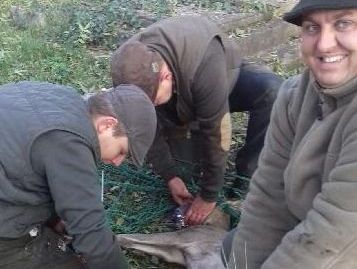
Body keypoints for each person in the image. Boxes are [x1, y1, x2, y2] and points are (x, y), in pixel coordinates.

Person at [110, 15, 283, 225]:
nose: (150, 109)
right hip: (178, 105)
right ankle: (185, 132)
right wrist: (170, 176)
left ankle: (246, 177)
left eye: (152, 101)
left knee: (272, 92)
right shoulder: (125, 69)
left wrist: (209, 196)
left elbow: (218, 131)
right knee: (186, 175)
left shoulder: (204, 62)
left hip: (220, 81)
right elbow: (146, 127)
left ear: (165, 76)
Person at [222, 0, 357, 268]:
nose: (324, 44)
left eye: (344, 23)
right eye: (312, 27)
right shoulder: (294, 94)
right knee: (235, 249)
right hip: (308, 222)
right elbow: (268, 192)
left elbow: (334, 231)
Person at [0, 81, 157, 269]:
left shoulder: (60, 96)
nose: (117, 162)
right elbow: (92, 234)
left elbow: (27, 159)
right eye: (122, 151)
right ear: (107, 125)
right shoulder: (70, 144)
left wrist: (55, 218)